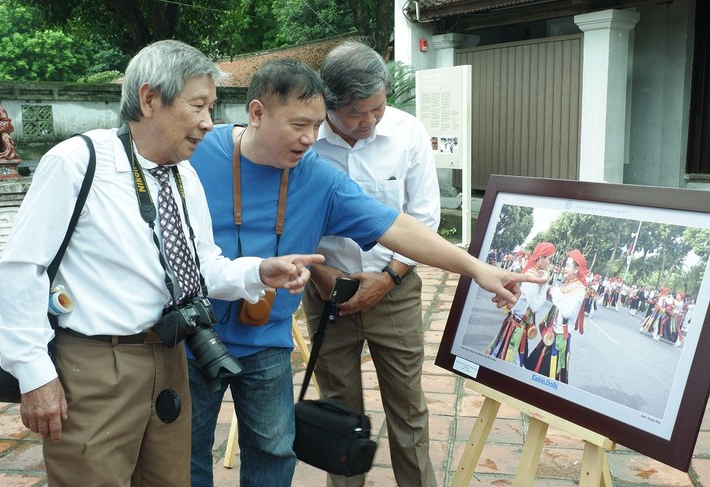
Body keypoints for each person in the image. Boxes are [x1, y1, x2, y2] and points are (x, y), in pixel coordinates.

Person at [188, 56, 540, 487]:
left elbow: (398, 226)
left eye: (316, 126)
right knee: (187, 452)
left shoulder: (317, 176)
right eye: (300, 124)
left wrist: (474, 268)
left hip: (266, 338)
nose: (309, 138)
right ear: (257, 113)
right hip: (195, 336)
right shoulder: (197, 153)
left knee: (275, 448)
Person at [0, 40, 323, 487]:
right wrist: (34, 374)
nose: (210, 123)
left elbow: (200, 264)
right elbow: (21, 268)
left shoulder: (185, 175)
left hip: (171, 358)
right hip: (94, 366)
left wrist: (257, 272)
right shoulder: (77, 162)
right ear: (150, 99)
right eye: (199, 106)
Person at [298, 40, 442, 487]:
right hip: (328, 295)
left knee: (408, 408)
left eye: (377, 108)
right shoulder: (304, 141)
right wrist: (321, 275)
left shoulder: (408, 133)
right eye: (357, 113)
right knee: (339, 409)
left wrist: (388, 277)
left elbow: (424, 217)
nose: (369, 121)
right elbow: (289, 217)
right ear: (329, 103)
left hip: (394, 293)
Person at [485, 242, 554, 367]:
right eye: (549, 259)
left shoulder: (531, 272)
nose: (549, 262)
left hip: (518, 325)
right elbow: (535, 306)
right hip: (517, 327)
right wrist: (544, 284)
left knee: (507, 357)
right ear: (540, 258)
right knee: (514, 362)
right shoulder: (530, 276)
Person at [524, 249, 588, 384]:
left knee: (549, 380)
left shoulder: (579, 290)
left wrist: (555, 292)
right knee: (532, 369)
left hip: (559, 340)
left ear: (576, 269)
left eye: (567, 266)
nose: (564, 269)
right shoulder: (567, 284)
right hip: (550, 335)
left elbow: (567, 311)